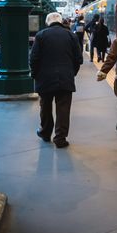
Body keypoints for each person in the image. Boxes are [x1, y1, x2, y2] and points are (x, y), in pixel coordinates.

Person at [30, 12, 83, 148]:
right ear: (60, 21)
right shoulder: (71, 35)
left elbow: (34, 58)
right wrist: (72, 73)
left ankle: (45, 133)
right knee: (63, 108)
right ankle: (60, 138)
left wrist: (35, 75)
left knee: (45, 107)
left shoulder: (41, 35)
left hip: (44, 78)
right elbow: (78, 59)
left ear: (48, 22)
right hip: (65, 77)